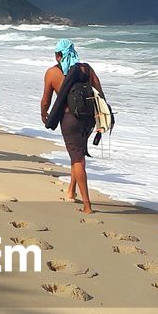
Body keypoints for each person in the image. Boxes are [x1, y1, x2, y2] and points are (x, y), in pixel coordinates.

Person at [41, 38, 102, 213]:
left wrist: (44, 114)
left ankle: (87, 206)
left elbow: (46, 100)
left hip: (69, 120)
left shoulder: (53, 73)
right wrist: (100, 120)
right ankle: (71, 191)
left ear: (58, 55)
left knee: (77, 159)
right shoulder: (86, 69)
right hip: (88, 119)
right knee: (78, 154)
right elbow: (100, 94)